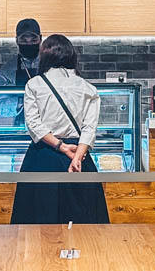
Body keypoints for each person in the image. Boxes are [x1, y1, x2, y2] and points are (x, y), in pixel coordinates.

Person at [10, 33, 110, 225]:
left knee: (39, 221)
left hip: (44, 156)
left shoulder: (35, 84)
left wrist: (61, 147)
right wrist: (77, 155)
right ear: (71, 56)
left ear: (45, 56)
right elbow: (90, 128)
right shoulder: (88, 87)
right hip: (79, 159)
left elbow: (33, 125)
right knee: (84, 223)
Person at [0, 18, 43, 86]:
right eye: (24, 41)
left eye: (33, 40)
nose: (29, 44)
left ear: (40, 39)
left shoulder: (51, 66)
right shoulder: (7, 69)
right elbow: (1, 95)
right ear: (17, 41)